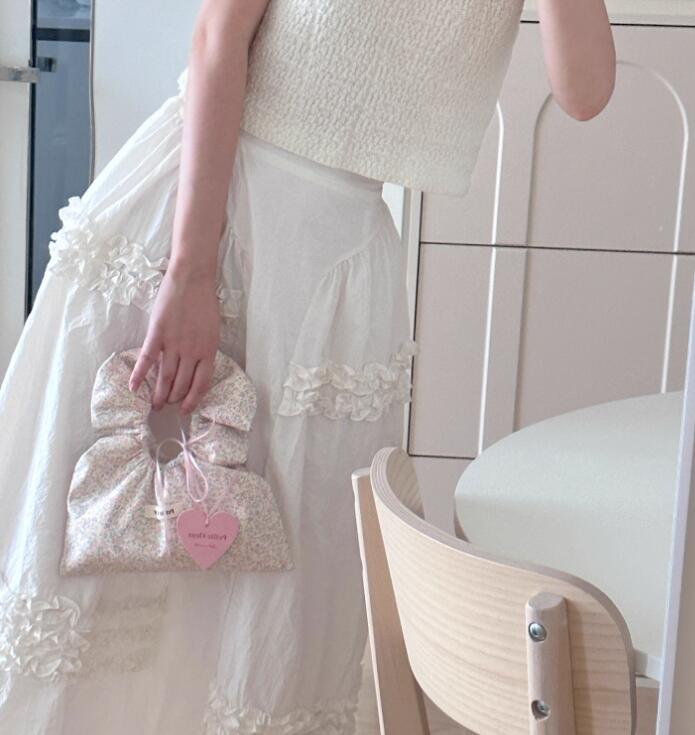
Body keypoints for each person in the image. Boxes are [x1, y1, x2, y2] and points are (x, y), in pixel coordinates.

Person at [0, 0, 615, 733]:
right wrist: (190, 274)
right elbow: (218, 38)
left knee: (279, 570)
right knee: (106, 541)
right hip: (193, 214)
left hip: (339, 258)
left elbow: (584, 92)